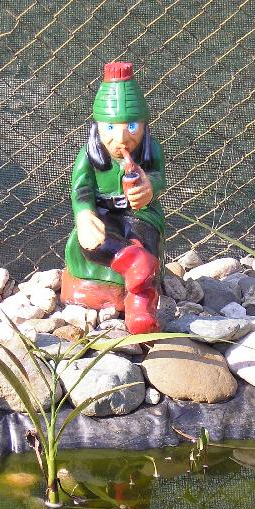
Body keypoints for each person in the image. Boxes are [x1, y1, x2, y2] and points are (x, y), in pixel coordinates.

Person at [63, 62, 165, 334]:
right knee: (92, 242)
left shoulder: (152, 150)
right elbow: (81, 189)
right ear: (97, 127)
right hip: (103, 213)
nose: (121, 138)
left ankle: (140, 307)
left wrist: (148, 186)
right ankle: (132, 261)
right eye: (110, 127)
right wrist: (84, 214)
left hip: (140, 213)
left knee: (145, 240)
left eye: (131, 126)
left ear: (144, 126)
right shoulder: (88, 156)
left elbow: (158, 176)